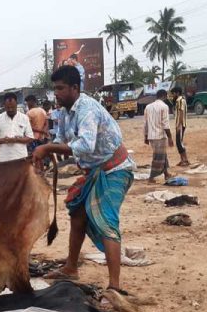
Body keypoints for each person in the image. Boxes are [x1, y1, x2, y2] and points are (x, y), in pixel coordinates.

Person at [31, 65, 135, 292]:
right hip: (94, 171)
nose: (56, 93)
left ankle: (114, 287)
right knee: (78, 214)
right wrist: (46, 153)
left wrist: (48, 147)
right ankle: (70, 268)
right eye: (54, 89)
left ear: (74, 88)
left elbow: (85, 145)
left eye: (60, 88)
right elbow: (61, 139)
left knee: (106, 221)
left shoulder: (86, 108)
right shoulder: (65, 113)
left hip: (114, 170)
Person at [0, 92, 33, 162]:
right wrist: (5, 140)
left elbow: (30, 138)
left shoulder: (24, 118)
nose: (10, 109)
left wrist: (16, 140)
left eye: (13, 107)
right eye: (8, 107)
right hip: (4, 159)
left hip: (21, 157)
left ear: (17, 104)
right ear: (4, 105)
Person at [144, 89, 175, 183]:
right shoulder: (164, 106)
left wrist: (145, 136)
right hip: (160, 136)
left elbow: (145, 123)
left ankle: (166, 174)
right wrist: (170, 137)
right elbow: (165, 123)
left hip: (151, 136)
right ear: (164, 96)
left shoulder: (148, 107)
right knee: (158, 157)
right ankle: (151, 177)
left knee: (163, 155)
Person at [172, 87, 190, 166]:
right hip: (179, 124)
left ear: (177, 93)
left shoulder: (180, 100)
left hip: (180, 124)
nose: (173, 95)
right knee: (178, 142)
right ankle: (182, 159)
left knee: (179, 143)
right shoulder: (180, 100)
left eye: (173, 93)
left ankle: (185, 160)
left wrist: (179, 125)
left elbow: (181, 112)